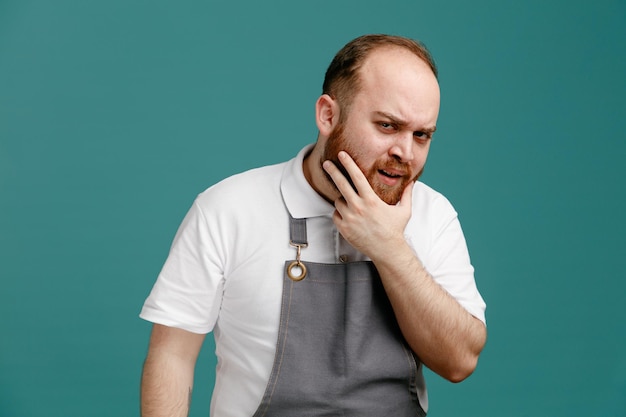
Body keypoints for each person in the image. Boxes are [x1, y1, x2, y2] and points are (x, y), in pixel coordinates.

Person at [140, 34, 487, 417]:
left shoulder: (434, 214)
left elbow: (459, 362)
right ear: (327, 115)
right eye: (388, 126)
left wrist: (390, 247)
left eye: (421, 135)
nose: (405, 152)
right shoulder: (227, 209)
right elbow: (171, 357)